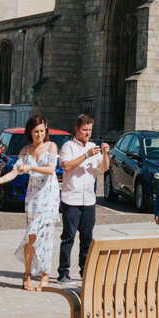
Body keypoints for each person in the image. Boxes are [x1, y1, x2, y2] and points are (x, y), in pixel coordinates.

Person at [10, 113, 60, 292]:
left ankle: (45, 273)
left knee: (46, 236)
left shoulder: (52, 146)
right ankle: (27, 274)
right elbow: (15, 171)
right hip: (32, 198)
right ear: (29, 132)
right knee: (31, 236)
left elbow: (51, 169)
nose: (39, 134)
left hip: (49, 196)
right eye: (35, 132)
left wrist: (31, 167)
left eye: (42, 131)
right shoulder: (25, 151)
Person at [57, 113, 107, 283]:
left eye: (90, 130)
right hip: (71, 199)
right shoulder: (68, 147)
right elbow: (66, 166)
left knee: (87, 238)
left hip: (89, 201)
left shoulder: (93, 146)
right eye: (84, 129)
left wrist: (105, 154)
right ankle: (63, 272)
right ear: (77, 129)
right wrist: (86, 155)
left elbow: (104, 168)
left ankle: (85, 271)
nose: (87, 133)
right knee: (68, 236)